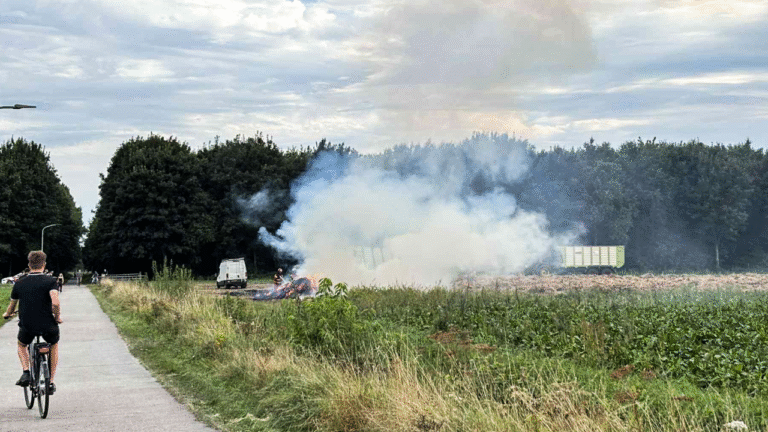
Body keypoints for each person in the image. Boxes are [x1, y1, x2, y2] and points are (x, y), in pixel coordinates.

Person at [3, 251, 62, 394]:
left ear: (29, 265)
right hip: (48, 325)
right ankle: (50, 382)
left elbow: (12, 307)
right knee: (53, 345)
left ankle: (26, 372)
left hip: (27, 326)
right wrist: (57, 317)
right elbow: (55, 302)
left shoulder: (19, 283)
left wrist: (7, 314)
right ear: (44, 265)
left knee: (21, 345)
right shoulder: (51, 281)